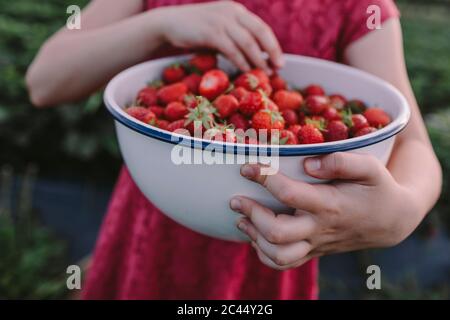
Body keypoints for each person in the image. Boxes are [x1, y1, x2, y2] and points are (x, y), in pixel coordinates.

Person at [26, 0, 442, 299]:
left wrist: (402, 211)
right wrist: (160, 23)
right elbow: (44, 80)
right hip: (150, 224)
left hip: (275, 246)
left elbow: (411, 143)